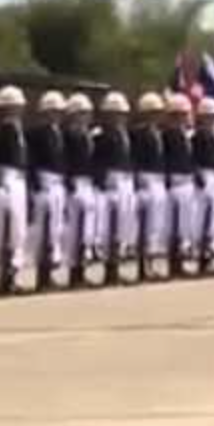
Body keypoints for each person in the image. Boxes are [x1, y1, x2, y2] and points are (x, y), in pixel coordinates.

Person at [0, 86, 29, 294]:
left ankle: (13, 274)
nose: (18, 109)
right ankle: (5, 277)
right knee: (7, 231)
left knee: (18, 231)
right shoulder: (0, 131)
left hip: (19, 179)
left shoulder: (18, 129)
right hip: (7, 179)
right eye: (13, 106)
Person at [95, 91, 138, 285]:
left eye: (121, 113)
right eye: (114, 113)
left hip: (126, 181)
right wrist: (102, 181)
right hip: (111, 181)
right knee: (109, 226)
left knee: (124, 224)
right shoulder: (101, 135)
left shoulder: (126, 134)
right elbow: (97, 160)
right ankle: (109, 269)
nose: (118, 117)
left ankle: (117, 265)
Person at [28, 90, 68, 291]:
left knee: (55, 230)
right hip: (45, 182)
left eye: (59, 111)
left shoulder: (59, 132)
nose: (56, 115)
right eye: (53, 111)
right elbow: (32, 161)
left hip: (58, 183)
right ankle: (41, 276)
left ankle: (50, 272)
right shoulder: (37, 133)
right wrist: (35, 185)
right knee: (43, 231)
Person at [129, 92, 167, 282]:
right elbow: (133, 158)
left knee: (156, 224)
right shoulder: (138, 134)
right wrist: (137, 179)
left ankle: (151, 263)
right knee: (144, 224)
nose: (156, 115)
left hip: (158, 180)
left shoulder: (159, 133)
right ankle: (143, 266)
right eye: (153, 112)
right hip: (145, 178)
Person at [62, 93, 97, 287]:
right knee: (74, 229)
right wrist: (69, 182)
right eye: (82, 113)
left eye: (87, 113)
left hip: (88, 182)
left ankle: (82, 269)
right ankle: (74, 272)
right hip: (76, 182)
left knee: (87, 229)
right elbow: (65, 161)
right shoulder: (69, 136)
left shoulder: (88, 135)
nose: (86, 116)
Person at [163, 93, 198, 276]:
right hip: (174, 181)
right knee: (172, 224)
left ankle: (181, 259)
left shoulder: (187, 136)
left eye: (184, 115)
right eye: (177, 115)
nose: (182, 118)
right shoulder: (167, 135)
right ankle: (173, 262)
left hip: (187, 181)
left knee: (186, 223)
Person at [191, 97, 214, 273]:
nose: (212, 119)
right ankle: (201, 255)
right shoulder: (197, 136)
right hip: (204, 176)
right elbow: (192, 157)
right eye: (209, 116)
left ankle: (210, 253)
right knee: (201, 216)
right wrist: (197, 173)